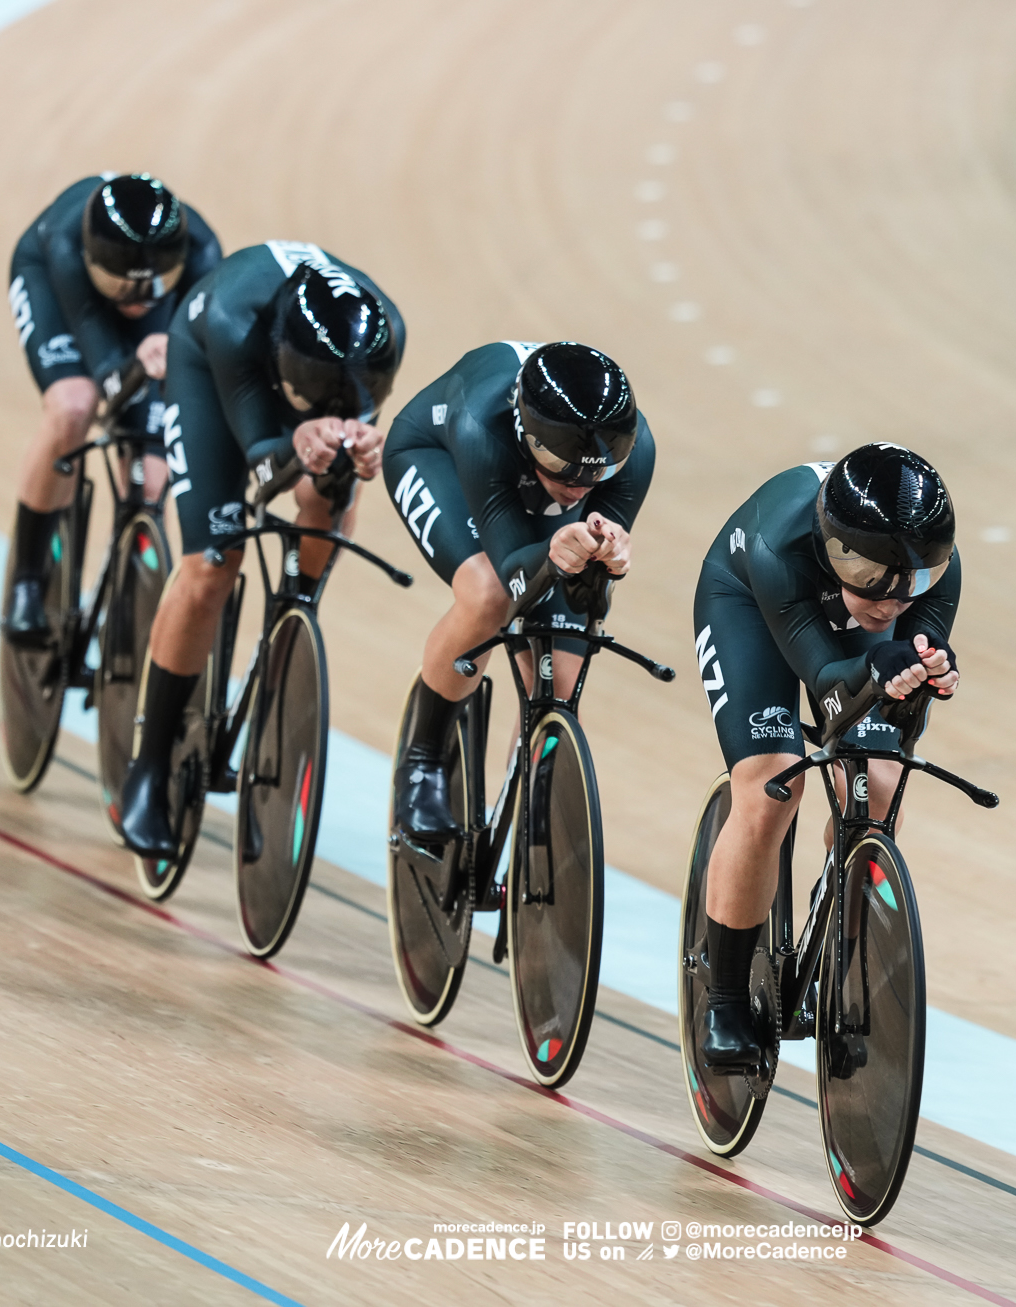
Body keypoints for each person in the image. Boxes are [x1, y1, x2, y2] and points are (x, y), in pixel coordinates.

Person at [118, 241, 406, 856]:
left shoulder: (384, 335)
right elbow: (262, 461)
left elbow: (346, 446)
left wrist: (357, 448)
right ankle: (147, 769)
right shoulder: (231, 320)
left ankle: (296, 609)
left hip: (301, 378)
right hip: (214, 371)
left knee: (333, 486)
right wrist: (295, 438)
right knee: (213, 564)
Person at [690, 443, 961, 1070]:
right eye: (872, 579)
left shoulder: (929, 567)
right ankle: (725, 998)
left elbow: (909, 665)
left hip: (841, 618)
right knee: (769, 788)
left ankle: (829, 936)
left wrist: (927, 672)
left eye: (913, 585)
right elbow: (830, 684)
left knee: (881, 783)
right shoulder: (780, 547)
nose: (893, 601)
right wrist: (875, 663)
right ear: (836, 550)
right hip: (751, 607)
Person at [382, 341, 656, 843]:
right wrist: (555, 551)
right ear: (527, 434)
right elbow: (513, 573)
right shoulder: (483, 426)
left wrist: (609, 554)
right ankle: (422, 763)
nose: (578, 486)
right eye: (561, 464)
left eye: (598, 471)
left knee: (562, 681)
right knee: (488, 595)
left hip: (531, 484)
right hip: (439, 457)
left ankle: (528, 823)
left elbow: (588, 585)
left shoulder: (630, 453)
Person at [2, 173, 222, 644]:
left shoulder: (201, 252)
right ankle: (26, 580)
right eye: (123, 287)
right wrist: (125, 372)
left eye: (150, 286)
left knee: (153, 473)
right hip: (60, 292)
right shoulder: (65, 244)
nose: (136, 301)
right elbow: (106, 370)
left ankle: (129, 587)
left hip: (156, 315)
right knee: (74, 407)